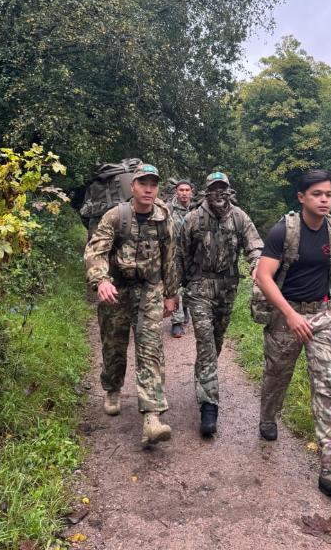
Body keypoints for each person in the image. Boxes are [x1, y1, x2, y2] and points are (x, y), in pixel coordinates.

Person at [255, 169, 331, 507]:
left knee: (328, 387)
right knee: (277, 375)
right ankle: (268, 416)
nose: (324, 200)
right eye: (317, 194)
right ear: (301, 197)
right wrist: (290, 315)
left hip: (323, 315)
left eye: (329, 194)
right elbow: (263, 276)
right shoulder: (283, 232)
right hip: (286, 314)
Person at [84, 163, 179, 448]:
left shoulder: (163, 218)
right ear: (133, 186)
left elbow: (170, 257)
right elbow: (95, 251)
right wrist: (101, 280)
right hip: (117, 289)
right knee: (114, 345)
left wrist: (171, 294)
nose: (148, 189)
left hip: (149, 290)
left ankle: (152, 416)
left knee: (150, 348)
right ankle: (113, 388)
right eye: (143, 184)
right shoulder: (116, 216)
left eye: (153, 184)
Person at [179, 171, 263, 436]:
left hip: (227, 289)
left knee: (216, 341)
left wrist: (256, 266)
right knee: (205, 341)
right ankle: (209, 406)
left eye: (223, 188)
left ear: (229, 191)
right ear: (206, 192)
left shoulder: (239, 217)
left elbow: (255, 246)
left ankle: (204, 376)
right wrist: (176, 289)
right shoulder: (193, 219)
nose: (219, 193)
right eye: (214, 188)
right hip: (199, 288)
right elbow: (180, 254)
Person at [167, 180, 195, 338]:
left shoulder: (197, 209)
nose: (184, 193)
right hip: (174, 253)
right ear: (176, 192)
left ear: (191, 192)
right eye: (181, 190)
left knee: (190, 284)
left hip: (192, 254)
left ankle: (185, 308)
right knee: (175, 285)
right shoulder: (168, 209)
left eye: (187, 190)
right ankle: (176, 323)